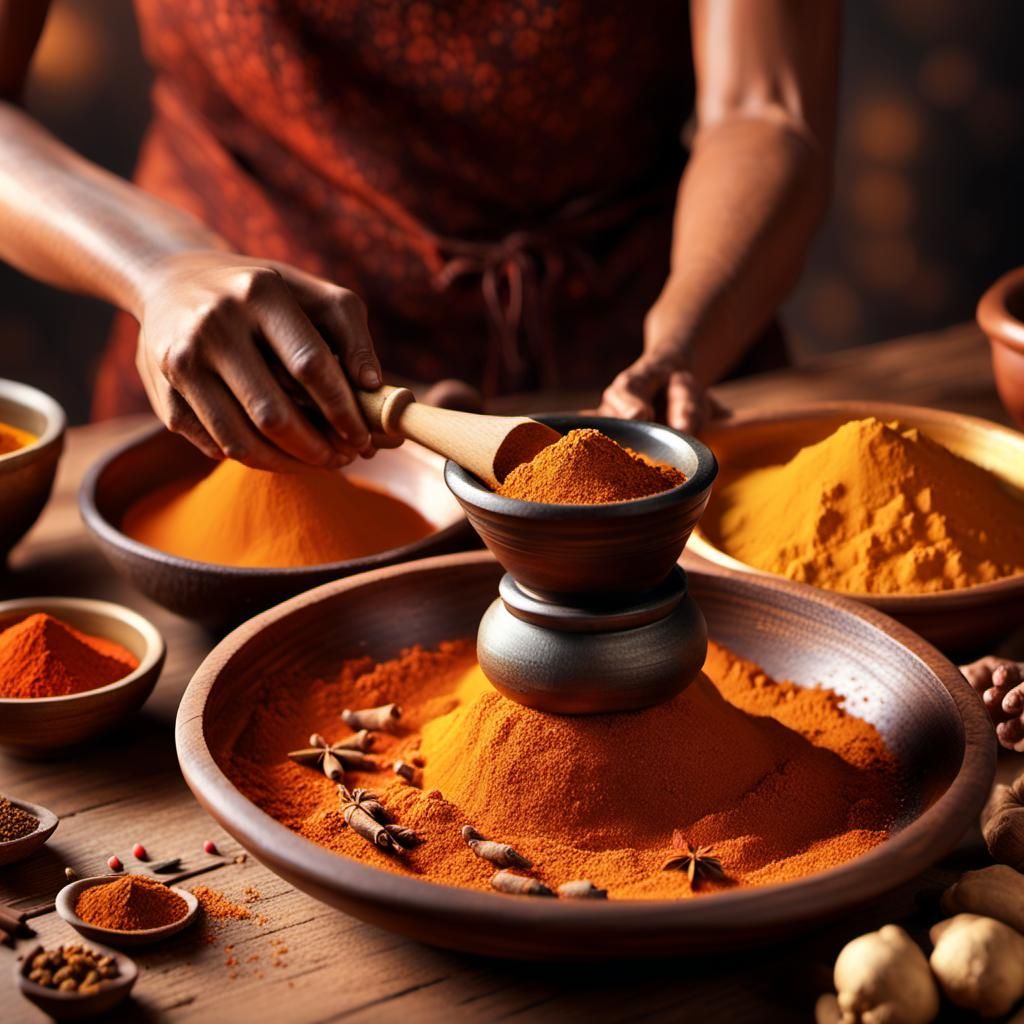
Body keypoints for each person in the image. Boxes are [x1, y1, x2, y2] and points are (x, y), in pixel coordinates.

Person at [0, 1, 838, 471]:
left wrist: (691, 333)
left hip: (649, 370)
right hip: (251, 389)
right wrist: (159, 269)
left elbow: (765, 109)